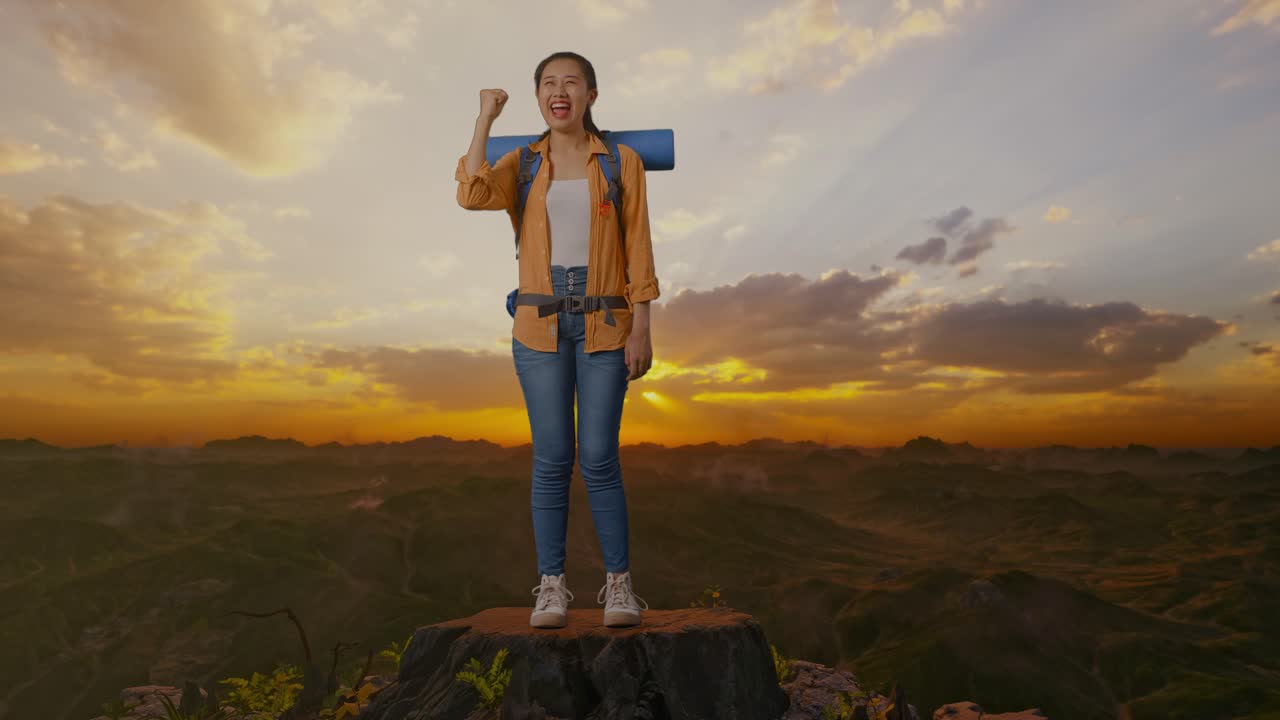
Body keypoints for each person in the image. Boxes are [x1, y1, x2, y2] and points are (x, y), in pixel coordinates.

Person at [454, 51, 661, 629]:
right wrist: (485, 119)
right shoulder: (521, 164)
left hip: (605, 323)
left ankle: (619, 587)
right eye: (548, 83)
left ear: (591, 94)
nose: (559, 90)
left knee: (598, 458)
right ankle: (552, 587)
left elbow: (639, 245)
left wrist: (642, 328)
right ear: (539, 97)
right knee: (550, 461)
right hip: (538, 326)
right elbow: (470, 194)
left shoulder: (621, 163)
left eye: (571, 82)